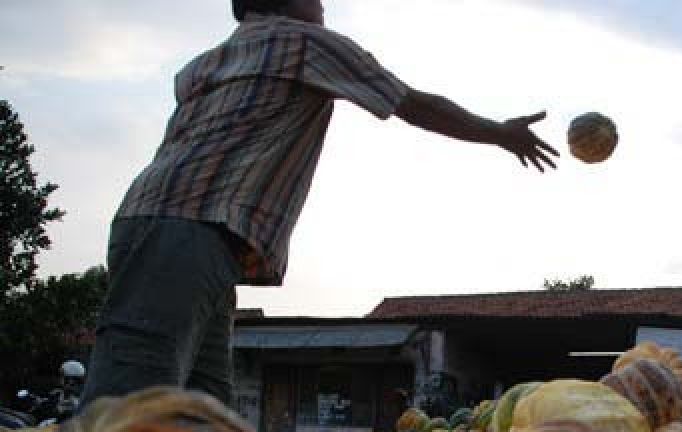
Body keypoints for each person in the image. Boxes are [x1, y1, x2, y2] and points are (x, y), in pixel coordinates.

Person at [81, 0, 558, 408]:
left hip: (168, 222)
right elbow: (410, 103)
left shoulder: (203, 64)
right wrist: (499, 132)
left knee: (204, 408)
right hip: (186, 226)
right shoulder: (306, 42)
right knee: (130, 404)